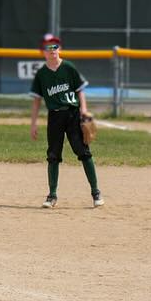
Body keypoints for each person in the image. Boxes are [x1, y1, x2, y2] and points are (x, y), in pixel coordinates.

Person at [29, 34, 102, 208]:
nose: (52, 50)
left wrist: (83, 110)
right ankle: (52, 195)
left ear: (59, 49)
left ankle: (96, 193)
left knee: (83, 152)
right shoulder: (41, 75)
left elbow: (80, 90)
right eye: (48, 48)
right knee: (53, 156)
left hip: (72, 115)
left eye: (55, 47)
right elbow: (37, 100)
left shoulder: (69, 67)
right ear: (43, 52)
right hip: (54, 117)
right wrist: (33, 123)